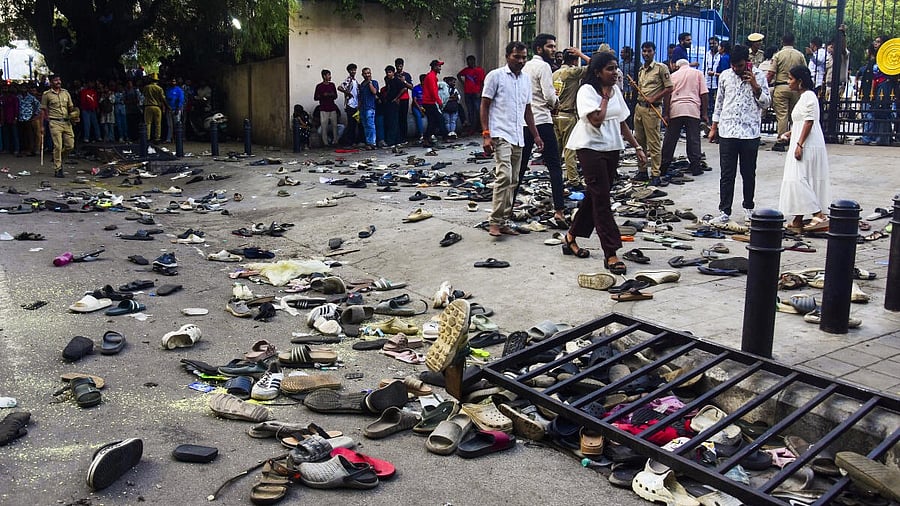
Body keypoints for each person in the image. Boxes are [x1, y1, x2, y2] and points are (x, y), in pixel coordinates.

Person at [564, 51, 647, 273]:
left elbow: (621, 122)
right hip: (590, 147)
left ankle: (571, 236)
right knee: (602, 199)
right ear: (597, 72)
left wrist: (637, 147)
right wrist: (605, 97)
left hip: (612, 147)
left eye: (616, 68)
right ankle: (611, 253)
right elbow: (596, 120)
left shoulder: (616, 90)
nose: (615, 72)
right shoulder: (586, 91)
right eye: (610, 68)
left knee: (595, 195)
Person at [481, 41, 542, 237]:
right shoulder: (495, 76)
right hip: (500, 133)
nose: (521, 61)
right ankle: (495, 221)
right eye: (517, 57)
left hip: (518, 135)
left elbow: (527, 110)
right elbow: (484, 105)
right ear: (508, 56)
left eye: (524, 57)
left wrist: (536, 135)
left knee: (514, 180)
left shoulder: (525, 80)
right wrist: (486, 134)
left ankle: (504, 220)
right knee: (504, 176)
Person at [708, 45, 771, 224]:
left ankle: (748, 208)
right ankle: (724, 210)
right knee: (727, 173)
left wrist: (755, 86)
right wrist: (714, 127)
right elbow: (719, 103)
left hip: (750, 133)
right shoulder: (726, 76)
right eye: (734, 66)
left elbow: (766, 103)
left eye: (741, 66)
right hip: (728, 131)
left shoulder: (758, 76)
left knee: (748, 173)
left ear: (748, 63)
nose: (737, 69)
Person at [516, 33, 567, 227]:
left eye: (554, 47)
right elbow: (549, 96)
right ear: (539, 49)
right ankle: (559, 212)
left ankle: (508, 208)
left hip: (523, 122)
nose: (554, 50)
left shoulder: (525, 66)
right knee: (554, 166)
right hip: (542, 122)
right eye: (550, 47)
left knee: (520, 168)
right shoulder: (544, 67)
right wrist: (556, 103)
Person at [778, 65, 831, 234]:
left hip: (807, 143)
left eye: (791, 79)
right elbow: (802, 122)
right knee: (802, 177)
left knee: (797, 179)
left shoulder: (809, 96)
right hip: (802, 139)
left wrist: (799, 144)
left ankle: (819, 214)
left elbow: (809, 121)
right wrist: (790, 133)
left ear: (800, 81)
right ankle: (798, 220)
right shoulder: (803, 97)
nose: (788, 82)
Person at [633, 41, 673, 185]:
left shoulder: (661, 68)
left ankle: (656, 174)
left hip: (652, 109)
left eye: (649, 51)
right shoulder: (641, 70)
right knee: (639, 141)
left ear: (654, 52)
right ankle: (642, 171)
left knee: (654, 143)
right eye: (644, 51)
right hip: (639, 108)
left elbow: (669, 88)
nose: (646, 54)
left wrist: (653, 98)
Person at [660, 59, 708, 178]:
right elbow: (704, 94)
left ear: (677, 66)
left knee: (670, 139)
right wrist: (705, 113)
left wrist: (666, 113)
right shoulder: (698, 74)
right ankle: (696, 166)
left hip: (676, 109)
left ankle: (664, 166)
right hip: (692, 109)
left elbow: (667, 95)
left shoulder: (673, 75)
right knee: (693, 139)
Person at [553, 47, 591, 188]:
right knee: (570, 150)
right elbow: (596, 64)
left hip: (555, 114)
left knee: (556, 151)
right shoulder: (573, 72)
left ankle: (555, 177)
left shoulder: (555, 74)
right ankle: (573, 180)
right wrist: (581, 54)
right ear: (575, 60)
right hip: (568, 115)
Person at [768, 33, 806, 152]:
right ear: (793, 42)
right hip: (796, 88)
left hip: (781, 87)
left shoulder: (778, 55)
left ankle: (781, 140)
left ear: (782, 41)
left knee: (782, 115)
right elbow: (805, 71)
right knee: (794, 115)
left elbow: (771, 73)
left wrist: (765, 85)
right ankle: (795, 138)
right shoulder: (799, 55)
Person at [41, 75, 77, 178]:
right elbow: (43, 110)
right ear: (51, 82)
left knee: (70, 145)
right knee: (58, 146)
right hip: (54, 122)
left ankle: (58, 158)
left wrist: (74, 114)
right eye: (56, 80)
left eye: (59, 80)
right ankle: (58, 168)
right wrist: (42, 126)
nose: (58, 82)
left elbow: (71, 107)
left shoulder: (66, 93)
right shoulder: (46, 95)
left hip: (67, 122)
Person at [855, 45, 878, 145]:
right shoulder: (870, 63)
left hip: (869, 94)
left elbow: (872, 80)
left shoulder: (873, 63)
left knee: (868, 115)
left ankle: (866, 137)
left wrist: (871, 93)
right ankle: (867, 135)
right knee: (867, 115)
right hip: (867, 93)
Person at [457, 55, 486, 133]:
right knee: (470, 111)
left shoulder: (479, 70)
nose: (469, 63)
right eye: (467, 61)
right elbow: (458, 75)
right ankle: (472, 127)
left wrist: (480, 91)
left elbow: (483, 82)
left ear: (473, 61)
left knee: (478, 110)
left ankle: (480, 126)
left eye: (470, 61)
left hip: (476, 92)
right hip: (468, 93)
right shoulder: (466, 70)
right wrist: (463, 83)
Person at [422, 59, 445, 147]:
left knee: (433, 121)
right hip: (429, 102)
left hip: (428, 102)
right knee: (437, 119)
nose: (440, 68)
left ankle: (427, 138)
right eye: (439, 66)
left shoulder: (431, 76)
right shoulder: (432, 77)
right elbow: (433, 91)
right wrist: (439, 101)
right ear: (434, 67)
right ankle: (428, 138)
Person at [337, 63, 361, 147]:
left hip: (355, 105)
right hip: (350, 105)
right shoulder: (348, 80)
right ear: (348, 71)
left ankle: (351, 141)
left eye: (354, 70)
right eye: (351, 70)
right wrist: (347, 93)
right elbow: (340, 87)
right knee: (351, 124)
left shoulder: (355, 81)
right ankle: (347, 142)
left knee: (354, 124)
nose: (353, 71)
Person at [382, 65, 406, 147]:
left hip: (393, 103)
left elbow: (404, 89)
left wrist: (396, 98)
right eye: (387, 72)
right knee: (390, 121)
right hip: (388, 102)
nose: (388, 74)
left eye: (389, 72)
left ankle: (392, 140)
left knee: (394, 122)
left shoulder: (396, 80)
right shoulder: (388, 80)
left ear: (393, 72)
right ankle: (396, 140)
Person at [315, 69, 339, 146]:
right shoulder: (319, 86)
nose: (330, 77)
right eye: (328, 75)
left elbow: (335, 96)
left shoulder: (332, 85)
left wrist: (330, 94)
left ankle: (335, 141)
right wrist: (323, 95)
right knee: (324, 126)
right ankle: (325, 143)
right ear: (324, 76)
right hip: (323, 108)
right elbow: (315, 97)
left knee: (335, 125)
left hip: (332, 108)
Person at [18, 85, 42, 157]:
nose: (23, 89)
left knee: (30, 135)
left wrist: (35, 115)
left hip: (29, 118)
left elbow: (38, 105)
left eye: (24, 88)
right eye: (22, 88)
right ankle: (23, 150)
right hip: (20, 118)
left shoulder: (31, 98)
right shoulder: (18, 97)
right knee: (22, 135)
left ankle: (31, 150)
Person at [358, 67, 379, 150]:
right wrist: (358, 107)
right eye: (365, 73)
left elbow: (374, 92)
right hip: (363, 107)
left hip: (370, 107)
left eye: (368, 73)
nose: (367, 75)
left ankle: (373, 143)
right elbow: (360, 97)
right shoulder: (362, 84)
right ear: (362, 75)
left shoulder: (374, 82)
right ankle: (368, 142)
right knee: (365, 126)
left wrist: (369, 82)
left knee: (371, 125)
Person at [395, 58, 414, 143]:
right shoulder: (394, 75)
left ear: (403, 66)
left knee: (403, 118)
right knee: (397, 118)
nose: (399, 67)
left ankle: (404, 137)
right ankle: (398, 137)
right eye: (397, 65)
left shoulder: (407, 75)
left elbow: (411, 87)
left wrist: (404, 81)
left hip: (404, 99)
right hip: (396, 99)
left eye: (400, 65)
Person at [142, 77, 166, 143]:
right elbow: (163, 98)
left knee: (148, 123)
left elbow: (143, 95)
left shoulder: (146, 87)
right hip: (157, 107)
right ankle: (157, 138)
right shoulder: (159, 88)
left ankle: (147, 137)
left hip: (148, 106)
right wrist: (167, 106)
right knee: (158, 123)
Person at [704, 37, 721, 117]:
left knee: (716, 103)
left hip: (716, 83)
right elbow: (704, 68)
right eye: (710, 44)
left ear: (718, 44)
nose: (711, 45)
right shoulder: (707, 54)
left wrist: (714, 73)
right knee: (707, 103)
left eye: (714, 43)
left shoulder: (720, 55)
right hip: (707, 82)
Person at [164, 78, 184, 143]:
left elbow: (180, 100)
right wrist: (167, 107)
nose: (173, 82)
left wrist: (178, 108)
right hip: (169, 109)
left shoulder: (179, 90)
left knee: (177, 124)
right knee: (169, 125)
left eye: (174, 81)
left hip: (176, 109)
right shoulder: (168, 90)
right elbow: (166, 99)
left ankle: (178, 138)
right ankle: (169, 138)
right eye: (172, 81)